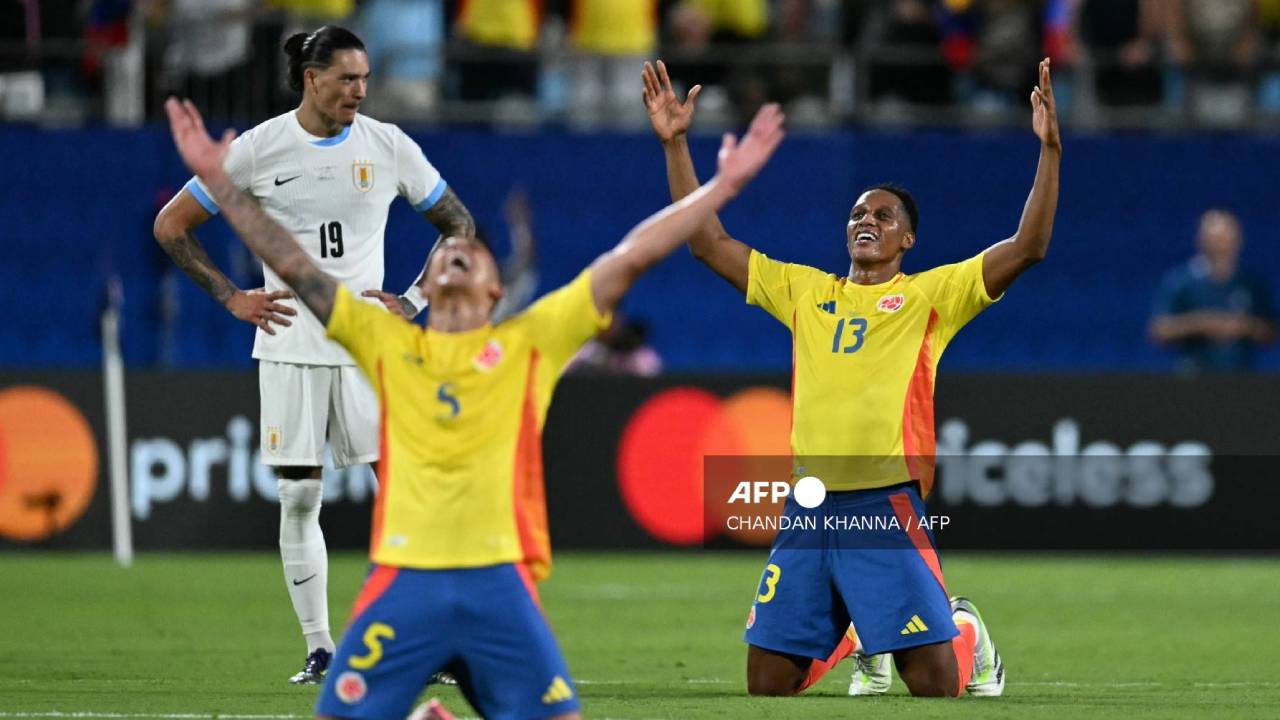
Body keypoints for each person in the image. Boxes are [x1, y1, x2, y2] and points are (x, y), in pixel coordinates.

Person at [165, 89, 785, 719]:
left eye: (474, 255)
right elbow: (293, 262)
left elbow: (634, 255)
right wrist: (220, 181)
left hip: (501, 587)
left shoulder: (531, 344)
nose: (457, 255)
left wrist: (723, 187)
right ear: (426, 283)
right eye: (446, 257)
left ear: (496, 288)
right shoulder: (381, 340)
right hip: (402, 585)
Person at [643, 56, 1062, 698]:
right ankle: (860, 632)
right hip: (808, 506)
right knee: (767, 685)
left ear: (909, 240)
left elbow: (1028, 247)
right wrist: (675, 145)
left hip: (884, 505)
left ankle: (966, 634)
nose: (867, 221)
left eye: (885, 216)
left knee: (933, 687)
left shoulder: (932, 297)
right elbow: (706, 243)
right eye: (859, 214)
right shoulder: (803, 291)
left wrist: (1050, 152)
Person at [151, 25, 476, 685]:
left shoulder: (389, 146)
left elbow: (459, 224)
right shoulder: (258, 148)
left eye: (365, 79)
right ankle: (320, 647)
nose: (359, 91)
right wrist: (231, 297)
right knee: (300, 496)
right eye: (347, 79)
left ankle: (424, 644)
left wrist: (415, 300)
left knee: (404, 497)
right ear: (312, 78)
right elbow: (171, 226)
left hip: (370, 348)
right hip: (292, 347)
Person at [1149, 209, 1276, 373]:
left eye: (1227, 238)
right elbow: (1159, 331)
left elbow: (1271, 332)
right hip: (1193, 377)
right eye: (1216, 238)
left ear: (1239, 240)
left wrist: (1243, 327)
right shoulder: (1180, 282)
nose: (1222, 244)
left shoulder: (1252, 284)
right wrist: (1202, 323)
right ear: (1200, 239)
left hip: (1241, 379)